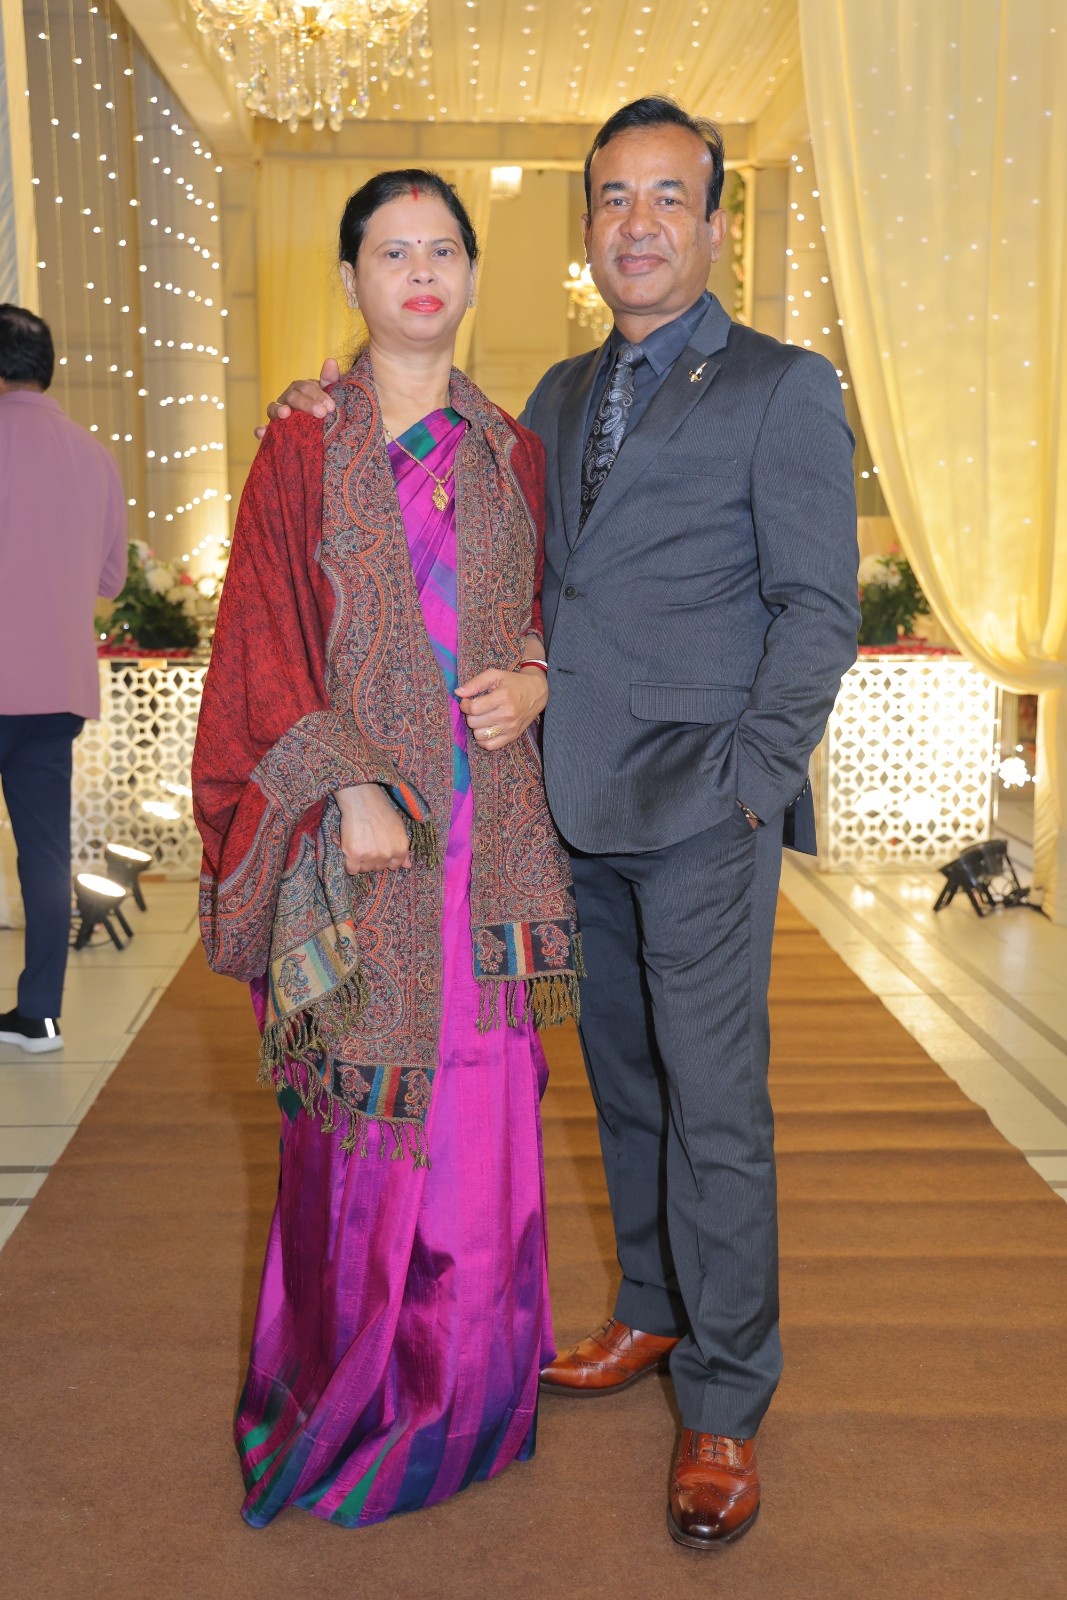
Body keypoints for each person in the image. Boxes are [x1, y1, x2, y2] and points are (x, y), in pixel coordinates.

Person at [265, 97, 860, 1549]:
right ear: (585, 223)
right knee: (626, 1087)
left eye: (666, 198)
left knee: (713, 1104)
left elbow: (815, 609)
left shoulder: (779, 386)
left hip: (702, 807)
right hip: (563, 807)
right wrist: (318, 404)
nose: (636, 224)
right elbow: (521, 584)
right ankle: (651, 1307)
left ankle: (723, 1397)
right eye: (611, 198)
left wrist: (751, 777)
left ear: (712, 223)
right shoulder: (544, 396)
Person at [192, 170, 581, 1530]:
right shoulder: (301, 443)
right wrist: (344, 782)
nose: (419, 271)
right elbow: (257, 640)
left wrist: (533, 676)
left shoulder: (510, 450)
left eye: (441, 249)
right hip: (348, 848)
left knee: (479, 1121)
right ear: (352, 279)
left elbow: (536, 609)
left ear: (470, 274)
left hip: (487, 843)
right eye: (391, 250)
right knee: (352, 1128)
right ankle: (344, 1396)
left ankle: (469, 1396)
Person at [0, 305, 127, 1055]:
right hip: (56, 687)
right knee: (45, 855)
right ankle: (39, 1015)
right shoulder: (94, 455)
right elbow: (111, 579)